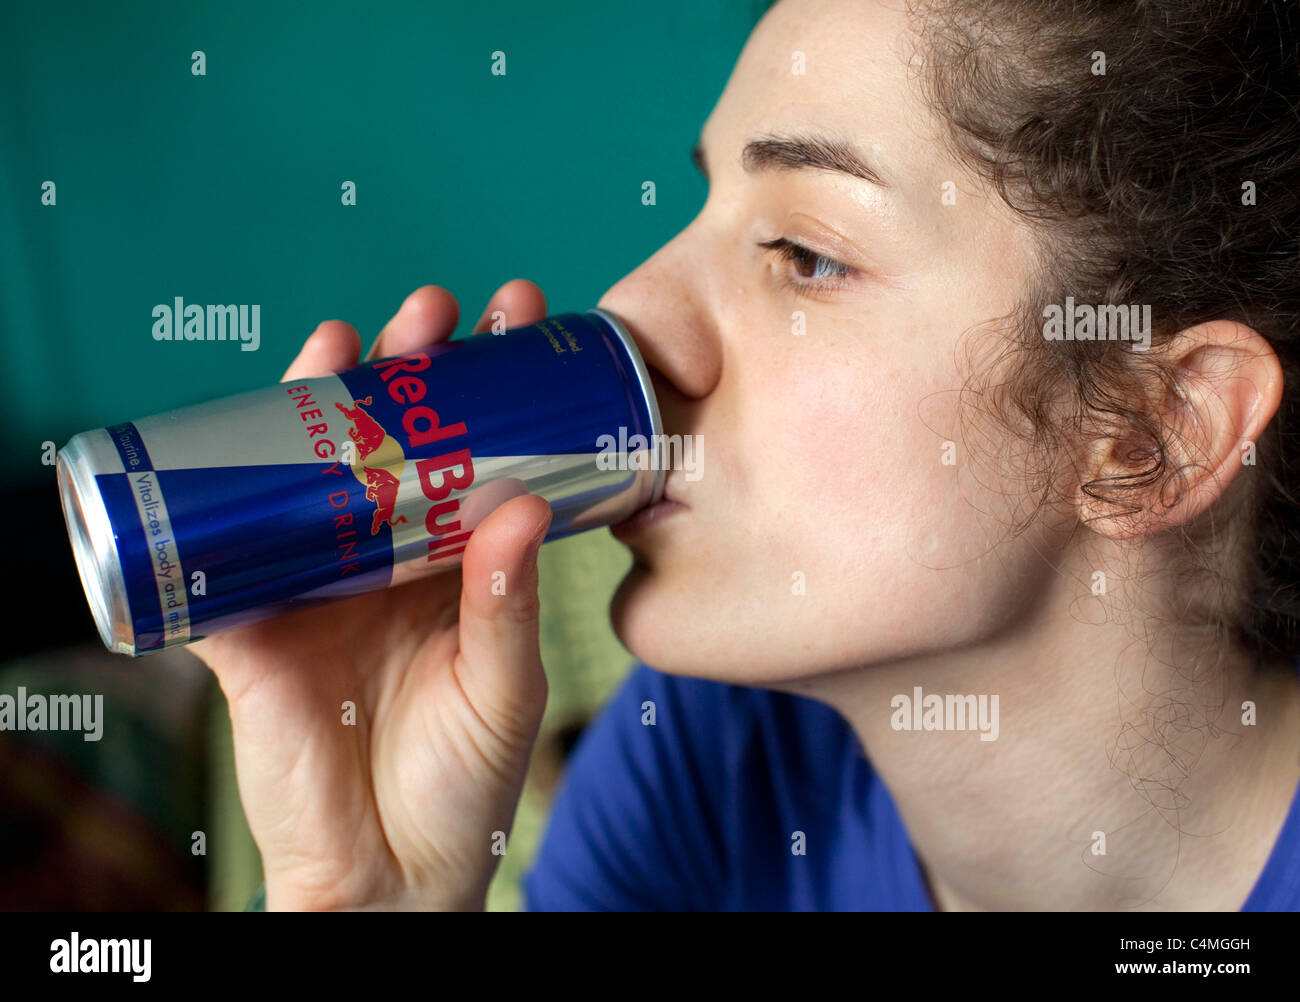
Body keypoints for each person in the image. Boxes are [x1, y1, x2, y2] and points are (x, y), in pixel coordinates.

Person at [194, 0, 1300, 911]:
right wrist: (371, 896)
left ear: (1155, 433)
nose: (629, 308)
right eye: (704, 207)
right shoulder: (709, 764)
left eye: (805, 254)